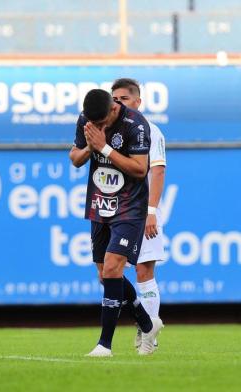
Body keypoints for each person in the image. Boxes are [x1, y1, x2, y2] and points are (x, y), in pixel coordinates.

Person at [69, 89, 163, 357]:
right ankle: (147, 324)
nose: (97, 127)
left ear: (113, 109)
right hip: (99, 203)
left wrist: (105, 147)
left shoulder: (136, 124)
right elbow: (75, 160)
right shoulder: (87, 120)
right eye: (92, 123)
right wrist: (90, 145)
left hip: (130, 207)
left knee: (112, 267)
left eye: (101, 123)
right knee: (105, 275)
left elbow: (139, 169)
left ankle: (104, 345)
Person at [111, 78, 166, 349]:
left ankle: (149, 334)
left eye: (123, 98)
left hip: (142, 210)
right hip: (116, 211)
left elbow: (157, 170)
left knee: (144, 269)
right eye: (114, 98)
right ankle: (145, 321)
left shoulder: (150, 131)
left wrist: (151, 211)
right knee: (108, 271)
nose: (117, 103)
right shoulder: (112, 130)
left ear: (137, 102)